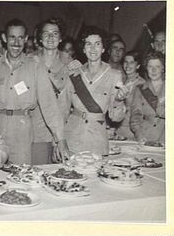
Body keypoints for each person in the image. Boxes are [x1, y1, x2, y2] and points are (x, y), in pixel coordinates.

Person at [0, 18, 69, 165]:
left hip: (22, 131)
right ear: (4, 38)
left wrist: (60, 139)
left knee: (21, 176)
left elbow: (49, 105)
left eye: (20, 38)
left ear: (26, 39)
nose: (16, 43)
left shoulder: (35, 67)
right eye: (12, 37)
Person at [63, 26, 127, 156]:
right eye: (88, 44)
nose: (93, 49)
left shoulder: (114, 75)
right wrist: (58, 141)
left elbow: (116, 117)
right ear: (83, 49)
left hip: (97, 140)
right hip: (72, 137)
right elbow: (62, 108)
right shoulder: (74, 73)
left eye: (97, 44)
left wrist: (119, 100)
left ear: (103, 49)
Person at [30, 18, 80, 165]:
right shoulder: (29, 61)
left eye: (55, 33)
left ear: (60, 38)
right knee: (37, 171)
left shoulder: (70, 63)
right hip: (36, 128)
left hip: (62, 128)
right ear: (39, 37)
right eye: (46, 34)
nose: (50, 38)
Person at [130, 52, 165, 144]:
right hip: (146, 137)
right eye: (150, 67)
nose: (153, 70)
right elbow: (135, 116)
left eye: (157, 67)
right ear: (146, 68)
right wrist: (139, 135)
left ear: (163, 68)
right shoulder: (140, 89)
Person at [115, 51, 145, 139]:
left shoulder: (142, 84)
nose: (128, 65)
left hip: (131, 131)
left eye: (132, 62)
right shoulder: (121, 81)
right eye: (126, 62)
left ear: (138, 66)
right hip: (118, 129)